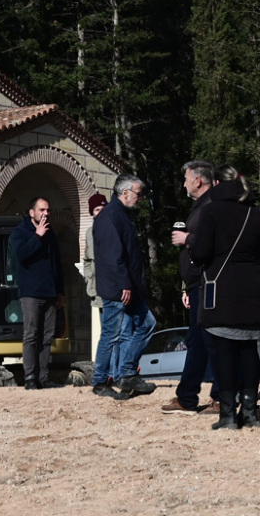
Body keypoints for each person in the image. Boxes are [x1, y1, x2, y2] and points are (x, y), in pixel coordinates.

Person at [189, 171, 260, 429]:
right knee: (249, 351)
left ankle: (228, 416)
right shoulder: (258, 214)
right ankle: (250, 413)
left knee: (224, 352)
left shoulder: (211, 211)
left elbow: (202, 251)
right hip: (253, 291)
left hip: (221, 292)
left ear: (216, 183)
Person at [162, 160, 221, 416]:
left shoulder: (211, 206)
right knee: (196, 341)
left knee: (213, 340)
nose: (184, 183)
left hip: (209, 283)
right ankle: (186, 398)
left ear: (198, 180)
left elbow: (217, 243)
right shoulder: (199, 208)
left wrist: (188, 239)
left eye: (186, 178)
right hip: (197, 285)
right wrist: (187, 286)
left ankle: (222, 397)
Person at [93, 174, 157, 399]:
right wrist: (124, 285)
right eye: (138, 194)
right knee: (111, 333)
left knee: (148, 323)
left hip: (130, 287)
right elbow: (113, 256)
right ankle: (101, 381)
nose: (140, 198)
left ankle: (127, 372)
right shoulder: (110, 217)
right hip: (118, 288)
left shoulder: (123, 216)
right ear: (125, 192)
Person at [11, 197, 66, 390]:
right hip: (31, 293)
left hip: (50, 293)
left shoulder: (50, 234)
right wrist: (37, 236)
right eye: (42, 210)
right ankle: (30, 378)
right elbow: (22, 256)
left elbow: (56, 264)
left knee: (47, 336)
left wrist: (60, 292)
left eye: (48, 210)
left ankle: (43, 377)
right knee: (31, 335)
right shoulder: (20, 233)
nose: (46, 214)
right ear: (32, 212)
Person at [82, 193, 119, 388]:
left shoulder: (115, 229)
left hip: (115, 288)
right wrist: (89, 279)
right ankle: (105, 375)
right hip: (98, 290)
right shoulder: (89, 233)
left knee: (118, 332)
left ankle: (115, 372)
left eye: (103, 209)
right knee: (107, 332)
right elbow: (87, 261)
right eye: (97, 210)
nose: (100, 213)